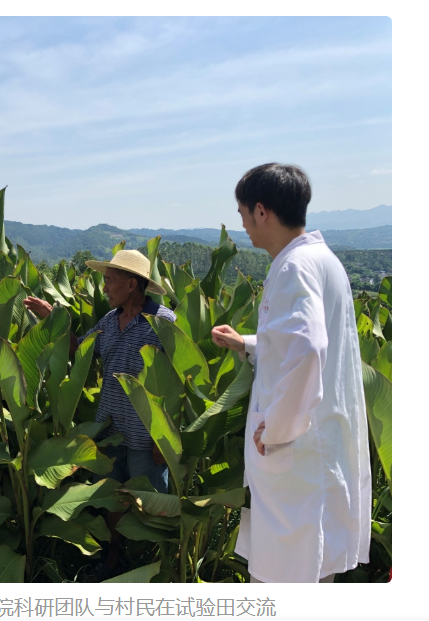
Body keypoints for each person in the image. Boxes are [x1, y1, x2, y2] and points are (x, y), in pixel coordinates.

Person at [211, 163, 371, 583]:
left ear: (262, 211)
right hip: (316, 456)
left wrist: (277, 429)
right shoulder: (323, 260)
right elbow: (298, 342)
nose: (243, 225)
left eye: (244, 214)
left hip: (297, 461)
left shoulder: (293, 267)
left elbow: (309, 348)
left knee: (290, 577)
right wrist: (248, 343)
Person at [23, 249, 175, 578]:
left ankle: (156, 568)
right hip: (110, 431)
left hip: (146, 434)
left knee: (151, 503)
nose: (103, 287)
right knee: (111, 499)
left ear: (131, 284)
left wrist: (163, 439)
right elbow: (81, 349)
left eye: (109, 280)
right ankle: (112, 561)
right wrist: (52, 317)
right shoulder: (109, 321)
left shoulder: (162, 322)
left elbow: (176, 381)